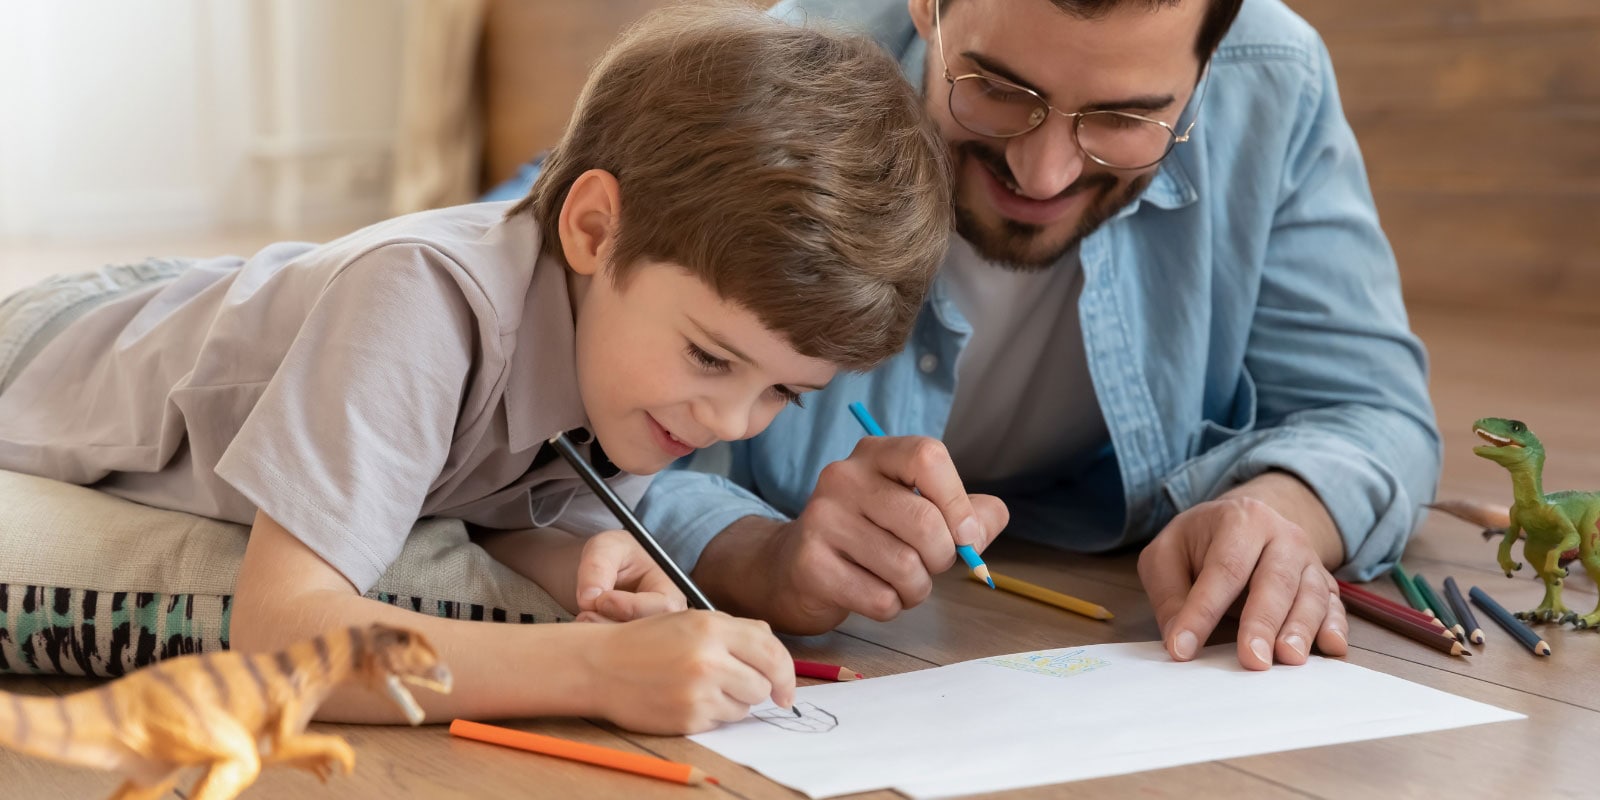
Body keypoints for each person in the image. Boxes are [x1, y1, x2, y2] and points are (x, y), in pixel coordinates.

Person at [0, 6, 952, 733]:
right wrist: (597, 673)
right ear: (592, 230)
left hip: (243, 292)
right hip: (54, 341)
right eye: (712, 356)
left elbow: (480, 501)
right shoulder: (420, 305)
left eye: (784, 392)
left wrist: (581, 565)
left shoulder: (626, 357)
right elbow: (279, 633)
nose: (734, 422)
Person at [635, 0, 1441, 671]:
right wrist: (757, 556)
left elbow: (1372, 412)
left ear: (1207, 62)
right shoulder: (768, 79)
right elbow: (555, 444)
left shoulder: (1273, 79)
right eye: (995, 89)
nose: (1043, 174)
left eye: (1125, 118)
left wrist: (1279, 507)